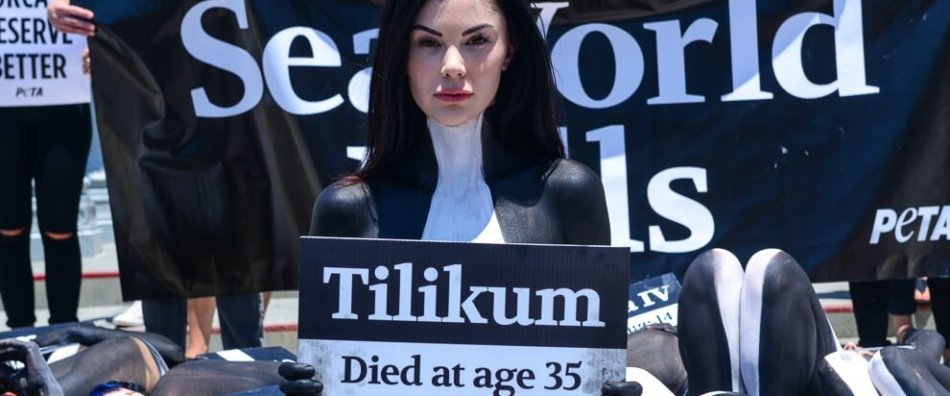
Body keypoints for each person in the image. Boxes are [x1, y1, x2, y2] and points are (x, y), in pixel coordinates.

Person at [46, 0, 265, 354]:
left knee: (234, 236)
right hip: (147, 80)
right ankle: (167, 373)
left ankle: (253, 375)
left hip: (226, 73)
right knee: (157, 235)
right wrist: (72, 15)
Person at [310, 0, 610, 246]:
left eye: (477, 40)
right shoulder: (347, 211)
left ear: (509, 51)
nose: (452, 66)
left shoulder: (568, 194)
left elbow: (599, 317)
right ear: (402, 55)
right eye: (428, 42)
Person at [0, 3, 93, 328]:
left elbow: (114, 14)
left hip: (64, 102)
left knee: (60, 227)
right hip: (4, 109)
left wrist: (107, 48)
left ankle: (65, 329)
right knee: (8, 226)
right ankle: (19, 332)